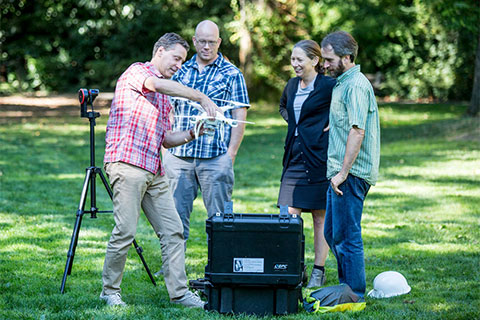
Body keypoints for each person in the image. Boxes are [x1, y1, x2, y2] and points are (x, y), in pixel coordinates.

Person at [101, 32, 219, 308]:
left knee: (174, 231)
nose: (179, 65)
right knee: (126, 230)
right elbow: (156, 84)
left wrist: (193, 132)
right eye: (176, 58)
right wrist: (200, 97)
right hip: (128, 163)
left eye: (182, 61)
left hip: (154, 169)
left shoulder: (165, 94)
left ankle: (179, 294)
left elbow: (166, 138)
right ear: (159, 51)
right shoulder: (138, 73)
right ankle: (109, 291)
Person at [165, 20, 249, 246]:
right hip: (179, 155)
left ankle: (219, 268)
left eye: (211, 42)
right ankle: (173, 268)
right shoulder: (178, 70)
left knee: (219, 219)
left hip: (215, 157)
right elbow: (168, 108)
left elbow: (239, 116)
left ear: (219, 42)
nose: (206, 47)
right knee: (174, 218)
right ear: (194, 41)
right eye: (202, 42)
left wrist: (231, 154)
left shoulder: (232, 74)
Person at [320, 31, 381, 299]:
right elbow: (350, 122)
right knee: (333, 232)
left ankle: (354, 292)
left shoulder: (355, 84)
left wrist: (343, 173)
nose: (324, 64)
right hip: (339, 172)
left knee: (347, 236)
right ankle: (348, 286)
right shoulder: (343, 83)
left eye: (329, 59)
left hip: (350, 174)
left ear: (347, 57)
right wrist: (335, 124)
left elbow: (358, 131)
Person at [277, 40, 336, 288]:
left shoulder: (328, 85)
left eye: (299, 59)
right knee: (289, 217)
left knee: (319, 218)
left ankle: (318, 271)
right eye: (292, 59)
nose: (295, 64)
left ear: (315, 61)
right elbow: (283, 107)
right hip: (294, 156)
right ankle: (295, 268)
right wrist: (296, 124)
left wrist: (334, 124)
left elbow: (348, 105)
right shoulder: (291, 85)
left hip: (318, 158)